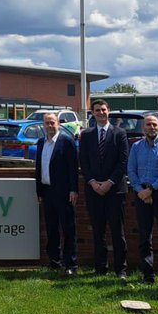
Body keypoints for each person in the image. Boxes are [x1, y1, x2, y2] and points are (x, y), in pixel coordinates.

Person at [78, 98, 130, 278]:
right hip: (93, 190)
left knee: (117, 231)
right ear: (92, 113)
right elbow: (83, 162)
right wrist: (92, 182)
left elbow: (123, 161)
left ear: (109, 111)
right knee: (98, 231)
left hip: (115, 190)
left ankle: (120, 269)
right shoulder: (87, 135)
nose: (100, 113)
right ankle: (100, 268)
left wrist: (109, 183)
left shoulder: (119, 133)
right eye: (97, 110)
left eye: (103, 110)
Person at [127, 114, 158, 286]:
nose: (151, 127)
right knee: (144, 236)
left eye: (154, 124)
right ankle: (148, 275)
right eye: (148, 124)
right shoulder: (136, 148)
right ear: (143, 128)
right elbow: (131, 171)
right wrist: (141, 191)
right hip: (141, 195)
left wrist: (151, 189)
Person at [34, 112, 78, 276]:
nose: (50, 126)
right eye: (47, 123)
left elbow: (73, 168)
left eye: (52, 123)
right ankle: (54, 262)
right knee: (51, 229)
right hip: (47, 192)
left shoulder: (66, 142)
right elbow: (39, 169)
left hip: (65, 193)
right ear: (43, 125)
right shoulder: (40, 142)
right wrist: (39, 191)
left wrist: (74, 190)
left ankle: (70, 265)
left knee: (68, 230)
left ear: (58, 124)